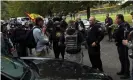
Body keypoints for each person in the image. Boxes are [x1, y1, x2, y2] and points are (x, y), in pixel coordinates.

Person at [113, 14, 130, 79]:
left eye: (116, 19)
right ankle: (123, 70)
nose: (115, 20)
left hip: (123, 45)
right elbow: (116, 33)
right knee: (121, 58)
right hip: (119, 44)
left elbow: (126, 34)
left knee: (125, 59)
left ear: (120, 19)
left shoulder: (125, 25)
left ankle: (127, 73)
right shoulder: (119, 25)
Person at [122, 12, 133, 80]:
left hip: (127, 44)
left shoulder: (126, 24)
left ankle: (127, 73)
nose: (132, 19)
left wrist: (127, 43)